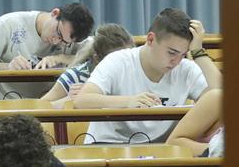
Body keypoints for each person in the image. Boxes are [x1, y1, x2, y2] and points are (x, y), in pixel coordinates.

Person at [69, 8, 224, 147]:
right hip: (108, 147)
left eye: (183, 54)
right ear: (150, 39)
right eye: (171, 52)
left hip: (161, 153)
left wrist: (198, 53)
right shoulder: (118, 61)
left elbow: (223, 99)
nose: (176, 61)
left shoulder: (187, 69)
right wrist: (128, 101)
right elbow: (82, 100)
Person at [0, 2, 96, 100]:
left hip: (43, 111)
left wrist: (60, 58)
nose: (56, 41)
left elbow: (100, 57)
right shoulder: (8, 24)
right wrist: (7, 66)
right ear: (55, 13)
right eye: (58, 33)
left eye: (64, 42)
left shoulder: (73, 41)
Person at [41, 23, 133, 104]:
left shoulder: (136, 71)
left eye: (128, 59)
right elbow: (40, 106)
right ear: (97, 59)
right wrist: (67, 100)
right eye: (116, 62)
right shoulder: (75, 76)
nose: (123, 67)